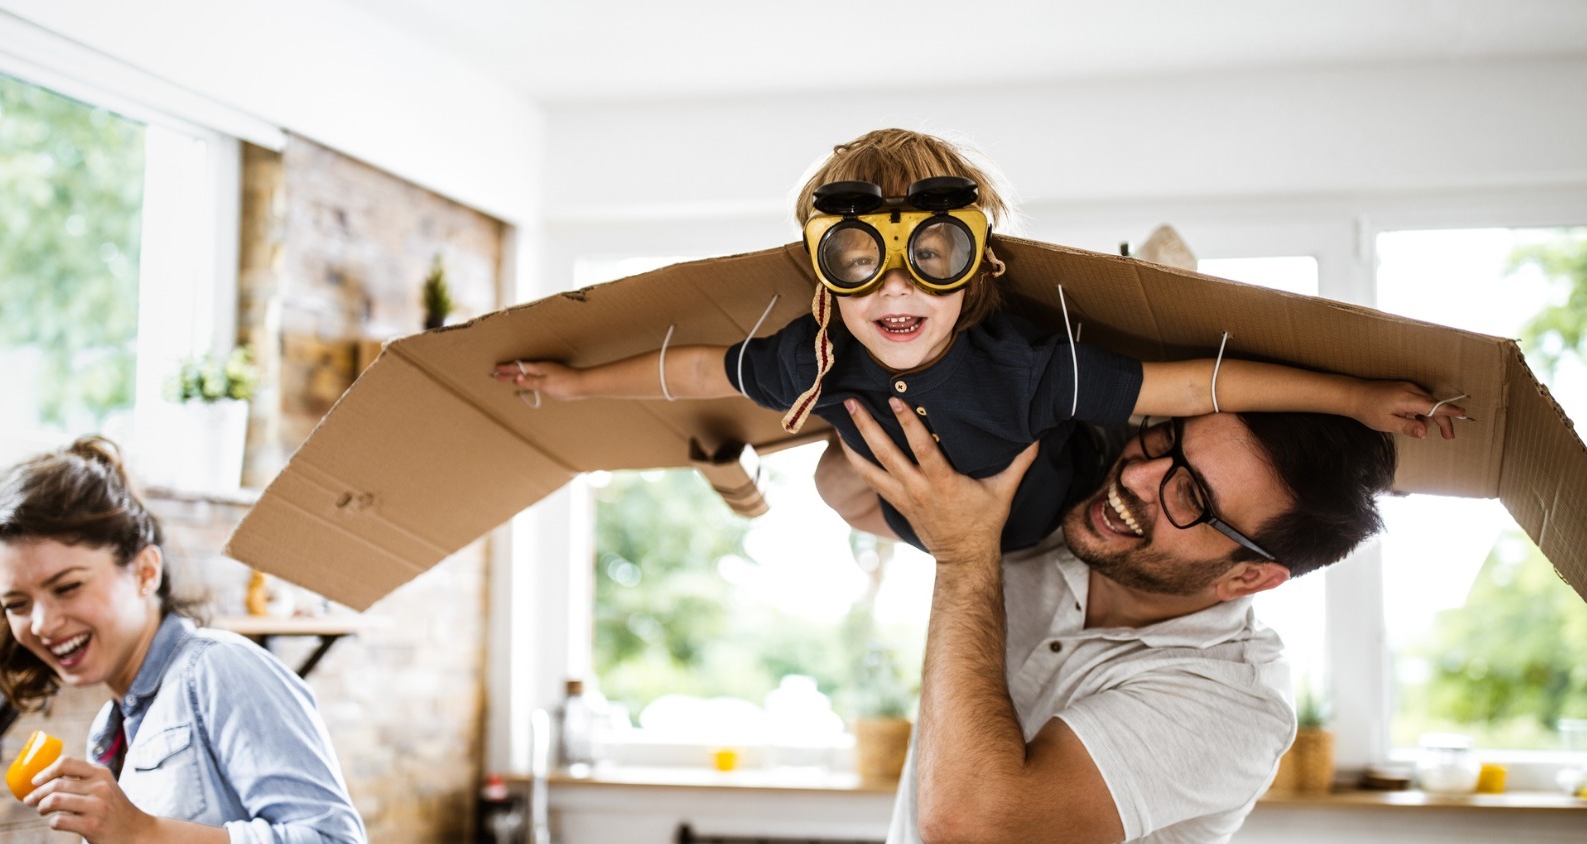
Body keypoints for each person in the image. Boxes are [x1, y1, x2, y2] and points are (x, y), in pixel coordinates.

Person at [492, 128, 1461, 554]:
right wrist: (575, 384)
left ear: (978, 266)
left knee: (854, 474)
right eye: (860, 255)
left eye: (934, 250)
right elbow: (698, 364)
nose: (897, 287)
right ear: (826, 265)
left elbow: (1198, 384)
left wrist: (1354, 396)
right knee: (834, 483)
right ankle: (780, 488)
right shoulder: (820, 352)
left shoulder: (1030, 367)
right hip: (911, 523)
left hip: (1042, 528)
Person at [824, 396, 1398, 844]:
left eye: (1191, 497)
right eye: (1164, 440)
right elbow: (849, 491)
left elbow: (967, 817)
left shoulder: (1232, 701)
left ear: (1247, 575)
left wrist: (965, 550)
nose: (1137, 476)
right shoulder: (1055, 525)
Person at [0, 437, 387, 844]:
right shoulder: (116, 728)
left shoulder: (222, 671)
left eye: (67, 587)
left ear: (145, 571)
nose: (42, 624)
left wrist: (139, 832)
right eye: (18, 604)